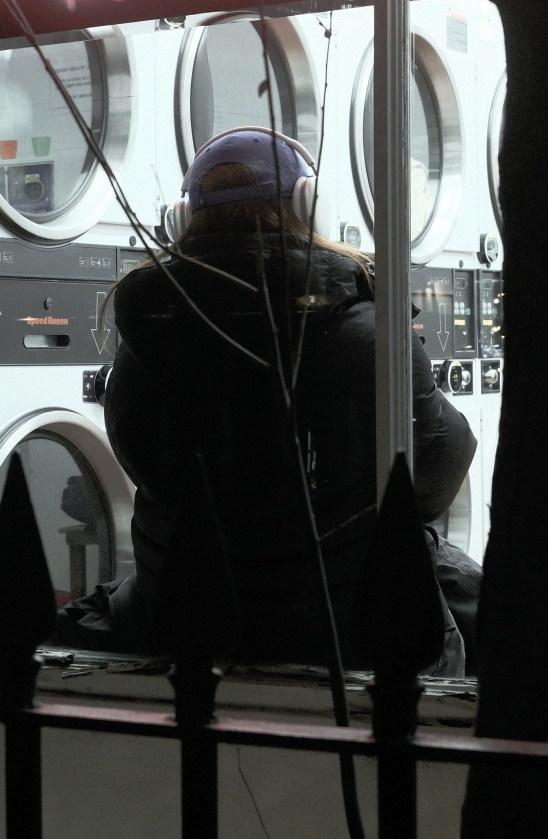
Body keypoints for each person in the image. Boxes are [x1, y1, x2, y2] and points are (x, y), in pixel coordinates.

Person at [55, 128, 480, 672]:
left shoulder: (147, 333)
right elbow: (437, 476)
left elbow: (143, 468)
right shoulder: (367, 331)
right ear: (309, 205)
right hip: (342, 625)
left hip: (189, 618)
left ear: (182, 220)